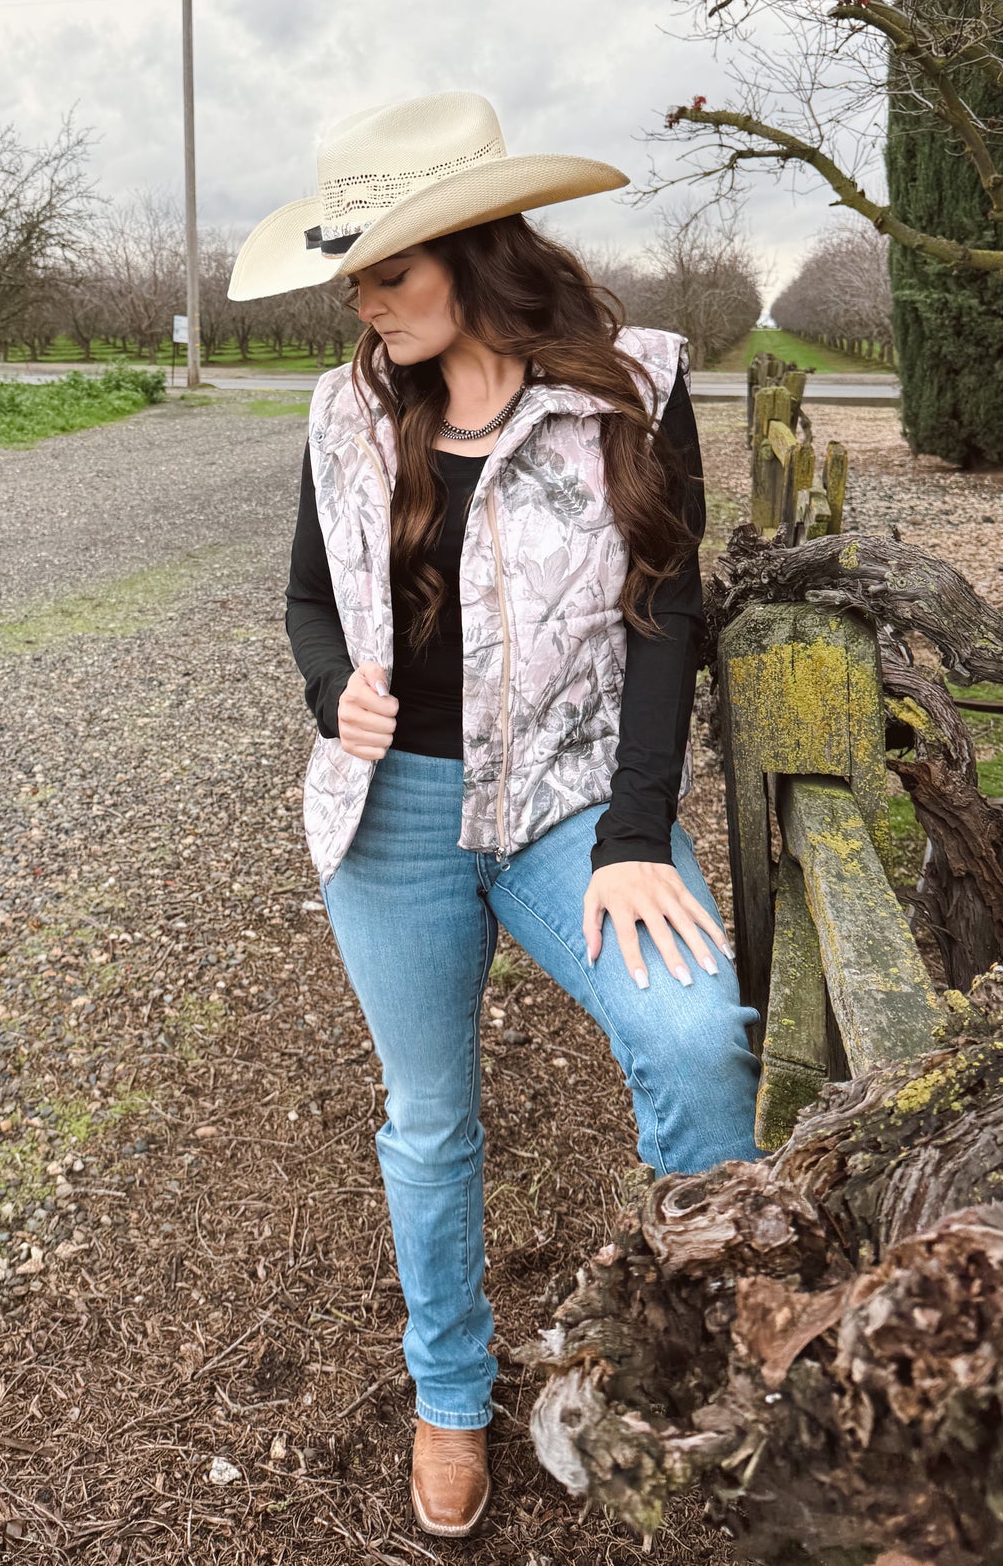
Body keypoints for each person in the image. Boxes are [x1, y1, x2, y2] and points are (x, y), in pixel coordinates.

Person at [228, 92, 761, 1540]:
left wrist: (636, 836)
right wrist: (331, 686)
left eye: (387, 270)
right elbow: (302, 597)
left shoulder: (631, 387)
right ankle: (449, 1398)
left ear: (472, 251)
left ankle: (692, 1366)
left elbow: (663, 617)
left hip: (574, 805)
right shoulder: (345, 408)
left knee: (695, 1034)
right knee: (428, 1121)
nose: (362, 300)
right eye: (352, 272)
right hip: (390, 817)